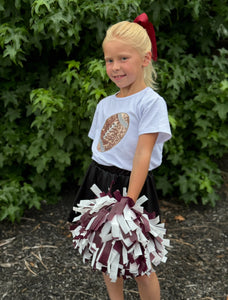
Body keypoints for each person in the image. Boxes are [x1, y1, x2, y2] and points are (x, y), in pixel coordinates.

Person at [68, 13, 171, 300]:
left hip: (132, 185)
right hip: (99, 180)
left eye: (123, 58)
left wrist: (129, 199)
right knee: (106, 253)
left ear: (145, 59)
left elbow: (142, 153)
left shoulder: (151, 102)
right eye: (109, 60)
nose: (115, 67)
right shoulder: (105, 104)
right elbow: (100, 149)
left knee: (140, 260)